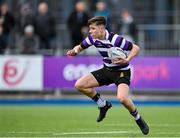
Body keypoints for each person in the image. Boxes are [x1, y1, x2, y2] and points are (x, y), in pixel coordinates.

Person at [66, 16, 149, 135]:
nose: (90, 31)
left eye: (92, 28)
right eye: (90, 28)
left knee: (123, 99)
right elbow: (79, 48)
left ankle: (138, 118)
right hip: (107, 70)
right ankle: (103, 104)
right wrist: (73, 52)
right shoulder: (92, 39)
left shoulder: (115, 39)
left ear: (101, 28)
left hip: (122, 71)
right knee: (79, 85)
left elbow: (136, 48)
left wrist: (127, 60)